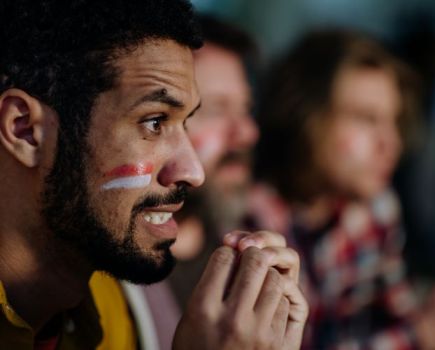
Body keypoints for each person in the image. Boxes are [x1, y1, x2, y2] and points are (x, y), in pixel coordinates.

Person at [0, 1, 308, 349]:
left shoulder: (107, 309)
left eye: (187, 121)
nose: (193, 173)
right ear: (24, 130)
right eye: (155, 122)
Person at [256, 29, 435, 349]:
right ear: (307, 115)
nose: (390, 143)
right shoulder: (253, 225)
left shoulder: (375, 211)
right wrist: (419, 334)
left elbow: (398, 312)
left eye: (393, 121)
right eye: (366, 119)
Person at [166, 15, 260, 310]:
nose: (247, 132)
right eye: (217, 109)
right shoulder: (105, 279)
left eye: (245, 109)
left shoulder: (250, 255)